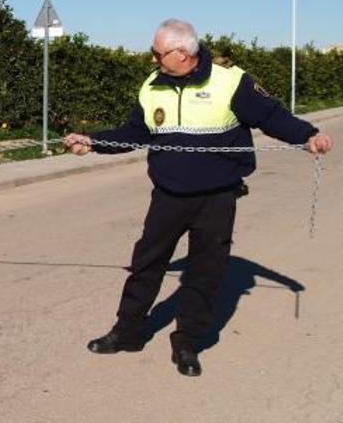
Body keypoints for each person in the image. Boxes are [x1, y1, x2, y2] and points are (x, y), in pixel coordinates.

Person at [63, 19, 333, 377]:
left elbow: (271, 116)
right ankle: (127, 332)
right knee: (145, 263)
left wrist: (307, 135)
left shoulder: (230, 80)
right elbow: (135, 132)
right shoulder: (152, 85)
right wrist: (94, 142)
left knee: (205, 271)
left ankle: (187, 343)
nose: (153, 59)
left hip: (216, 197)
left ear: (183, 53)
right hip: (168, 195)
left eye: (158, 54)